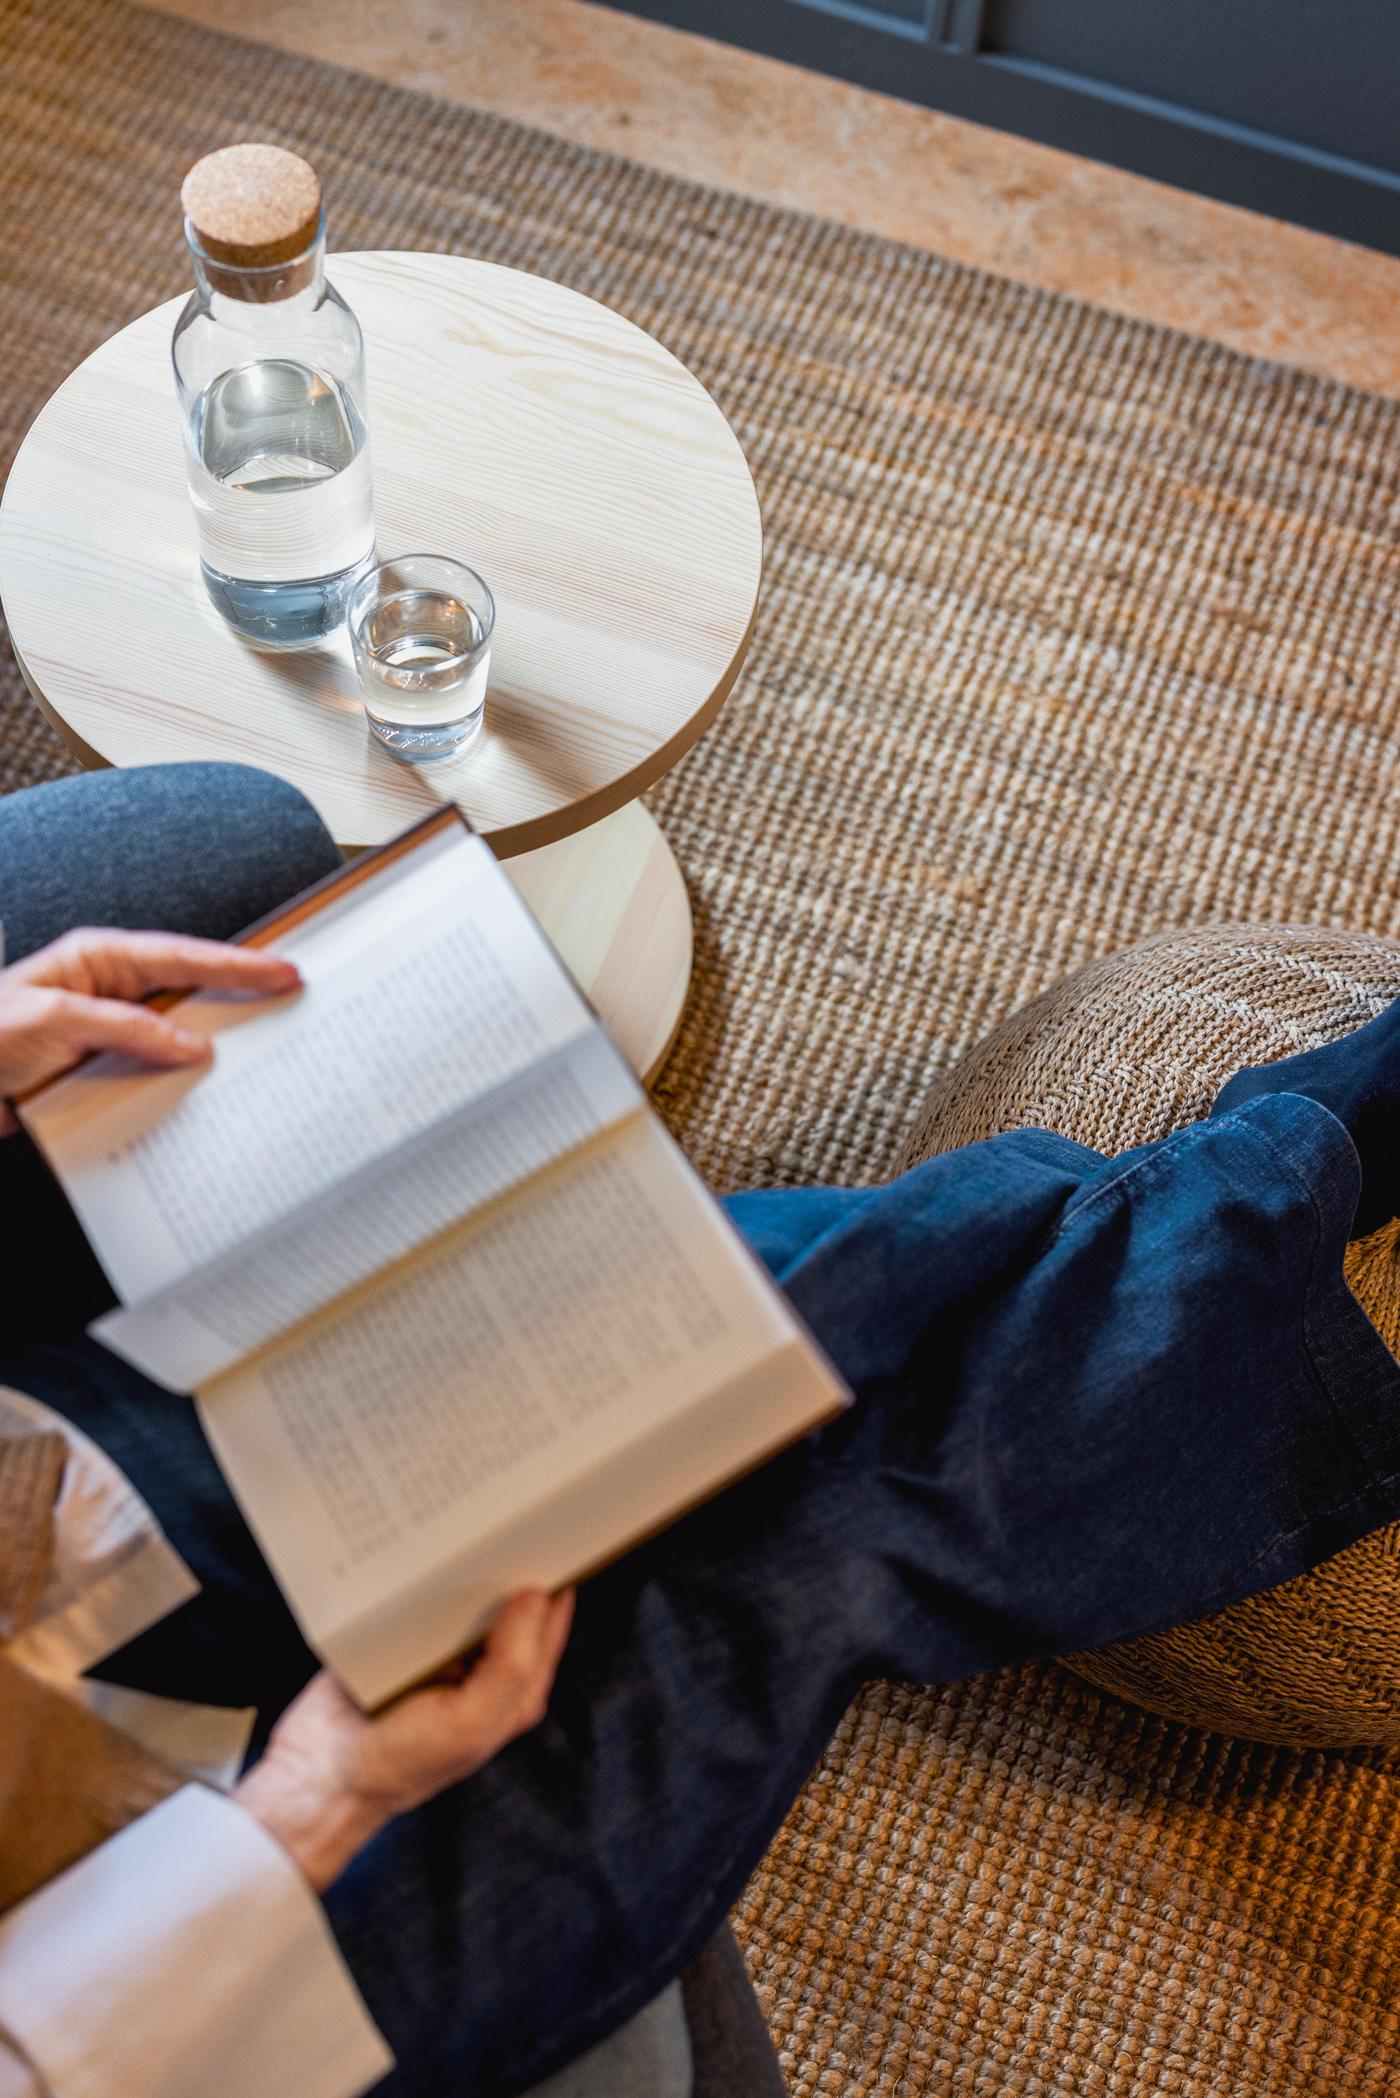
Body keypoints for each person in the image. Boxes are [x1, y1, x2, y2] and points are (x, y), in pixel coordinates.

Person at [3, 760, 1400, 2098]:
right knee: (804, 1561)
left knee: (726, 1316)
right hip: (161, 2006)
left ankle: (1292, 1168)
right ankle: (1305, 1148)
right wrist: (305, 1812)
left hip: (29, 1528)